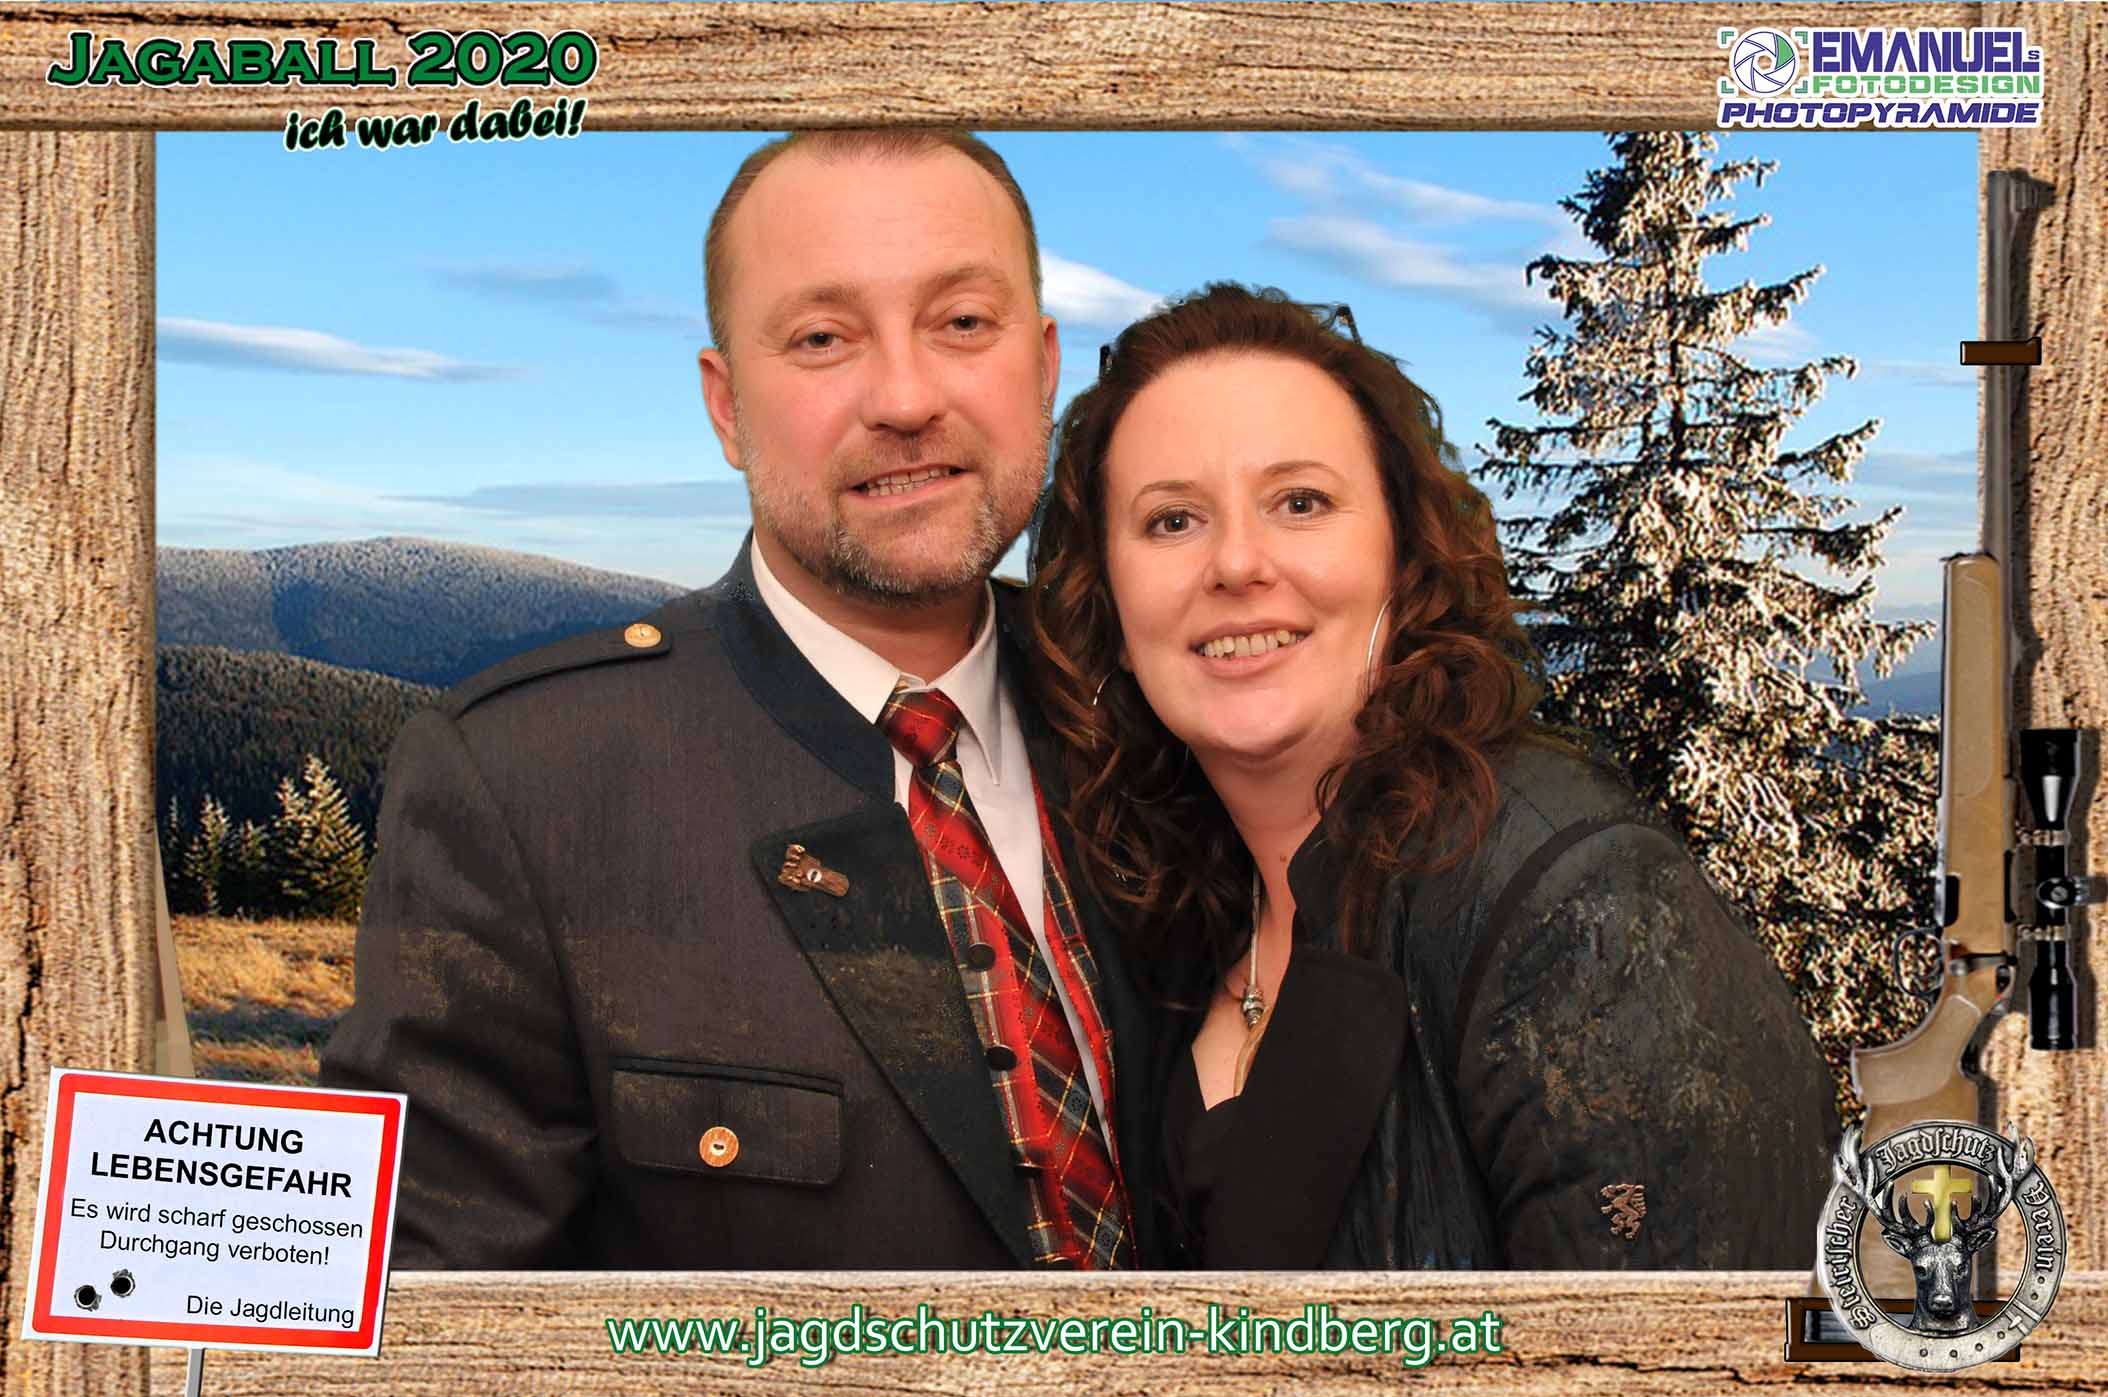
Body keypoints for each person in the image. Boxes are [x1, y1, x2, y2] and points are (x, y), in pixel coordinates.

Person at [322, 130, 1151, 1271]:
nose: (906, 396)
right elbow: (422, 1305)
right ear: (725, 407)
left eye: (963, 322)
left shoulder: (1159, 710)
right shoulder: (528, 784)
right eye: (822, 338)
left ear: (1043, 366)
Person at [1027, 283, 1838, 1268]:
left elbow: (1702, 1340)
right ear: (1110, 606)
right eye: (1170, 520)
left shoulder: (1575, 904)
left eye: (1299, 502)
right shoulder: (1186, 924)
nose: (1236, 563)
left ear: (1403, 560)